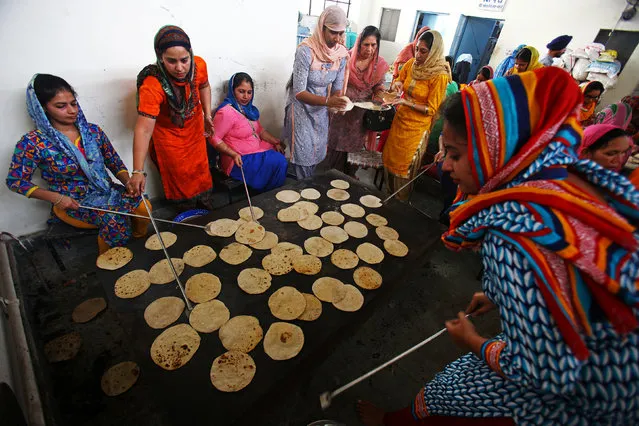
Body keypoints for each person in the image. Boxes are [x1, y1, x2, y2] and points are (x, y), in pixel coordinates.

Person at [358, 67, 639, 426]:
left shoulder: (511, 238)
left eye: (456, 154)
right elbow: (563, 282)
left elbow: (538, 373)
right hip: (600, 366)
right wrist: (502, 296)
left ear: (499, 151)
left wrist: (473, 340)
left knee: (446, 402)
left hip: (580, 401)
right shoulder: (552, 189)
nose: (445, 166)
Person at [6, 74, 150, 254]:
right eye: (61, 106)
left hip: (106, 192)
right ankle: (112, 261)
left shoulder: (92, 132)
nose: (72, 110)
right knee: (113, 220)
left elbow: (114, 162)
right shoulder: (33, 143)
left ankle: (137, 246)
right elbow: (16, 181)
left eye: (73, 103)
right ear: (43, 108)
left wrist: (128, 181)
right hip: (73, 203)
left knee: (144, 207)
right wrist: (56, 198)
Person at [129, 25, 214, 210]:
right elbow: (143, 129)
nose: (179, 68)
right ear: (160, 57)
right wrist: (137, 170)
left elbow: (204, 86)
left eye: (184, 60)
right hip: (169, 138)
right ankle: (187, 213)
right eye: (171, 61)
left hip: (195, 130)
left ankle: (206, 209)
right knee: (179, 177)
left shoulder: (199, 65)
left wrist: (207, 114)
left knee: (200, 170)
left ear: (191, 53)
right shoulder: (153, 84)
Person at [382, 29, 451, 200]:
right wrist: (398, 85)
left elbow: (432, 109)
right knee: (390, 164)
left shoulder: (439, 76)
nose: (418, 55)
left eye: (423, 51)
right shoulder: (412, 64)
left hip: (416, 130)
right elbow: (399, 79)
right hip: (400, 123)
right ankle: (386, 202)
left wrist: (406, 102)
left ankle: (399, 206)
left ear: (434, 51)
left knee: (403, 171)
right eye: (417, 49)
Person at [283, 6, 349, 180]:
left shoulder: (341, 55)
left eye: (341, 33)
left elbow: (337, 87)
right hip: (301, 111)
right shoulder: (305, 51)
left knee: (315, 157)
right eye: (333, 32)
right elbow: (299, 92)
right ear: (322, 28)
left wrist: (339, 101)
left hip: (320, 113)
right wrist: (328, 101)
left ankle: (304, 189)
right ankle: (300, 193)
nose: (337, 38)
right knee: (303, 158)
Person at [325, 26, 388, 175]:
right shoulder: (346, 59)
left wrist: (379, 96)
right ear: (359, 43)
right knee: (336, 152)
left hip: (359, 117)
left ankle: (348, 179)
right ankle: (333, 178)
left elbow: (379, 86)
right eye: (366, 44)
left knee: (354, 152)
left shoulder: (379, 65)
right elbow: (333, 82)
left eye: (374, 45)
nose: (370, 49)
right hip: (342, 112)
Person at [210, 73, 287, 192]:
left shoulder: (249, 110)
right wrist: (233, 154)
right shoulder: (226, 112)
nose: (246, 96)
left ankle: (269, 191)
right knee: (279, 161)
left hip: (255, 151)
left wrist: (276, 142)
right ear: (232, 90)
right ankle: (269, 194)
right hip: (238, 159)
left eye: (249, 92)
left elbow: (259, 130)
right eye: (241, 91)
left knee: (279, 152)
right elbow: (214, 138)